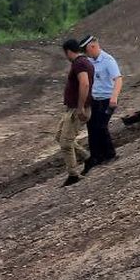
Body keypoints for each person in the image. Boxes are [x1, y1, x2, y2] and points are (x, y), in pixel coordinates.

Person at [79, 34, 122, 174]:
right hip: (94, 99)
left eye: (86, 50)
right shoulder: (90, 61)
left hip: (107, 99)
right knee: (91, 127)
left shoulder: (108, 60)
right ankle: (96, 156)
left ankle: (110, 154)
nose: (86, 53)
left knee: (101, 126)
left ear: (92, 46)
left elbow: (118, 79)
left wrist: (114, 99)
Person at [56, 38, 93, 186]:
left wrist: (80, 107)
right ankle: (87, 157)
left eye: (66, 54)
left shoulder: (80, 63)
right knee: (59, 136)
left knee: (66, 143)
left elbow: (84, 84)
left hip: (76, 110)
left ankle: (73, 175)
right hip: (71, 109)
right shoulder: (83, 62)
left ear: (69, 51)